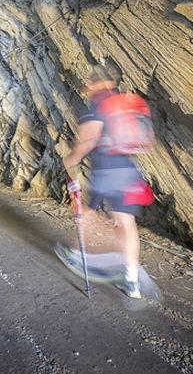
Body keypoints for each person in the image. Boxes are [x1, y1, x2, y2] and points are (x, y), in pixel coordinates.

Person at [61, 66, 145, 298]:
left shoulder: (99, 104)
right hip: (128, 171)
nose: (86, 89)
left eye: (89, 84)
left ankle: (80, 256)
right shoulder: (123, 105)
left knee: (87, 212)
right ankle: (132, 280)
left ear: (97, 84)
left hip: (107, 171)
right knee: (126, 223)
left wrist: (71, 159)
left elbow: (88, 138)